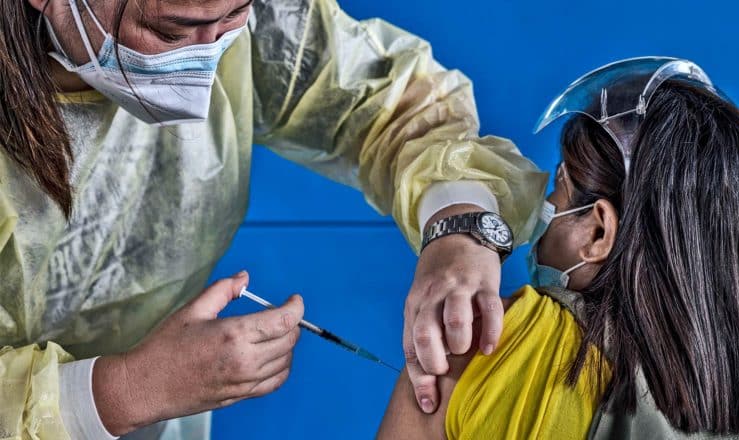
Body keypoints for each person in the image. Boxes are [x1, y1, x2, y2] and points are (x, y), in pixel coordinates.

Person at [0, 0, 548, 438]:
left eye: (233, 18)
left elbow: (393, 102)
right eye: (170, 31)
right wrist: (122, 391)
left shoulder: (253, 22)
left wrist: (459, 226)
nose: (206, 59)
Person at [377, 58, 739, 439]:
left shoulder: (489, 342)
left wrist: (453, 224)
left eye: (559, 189)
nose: (544, 210)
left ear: (598, 232)